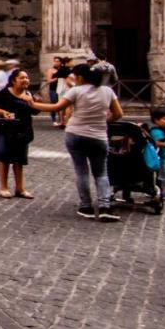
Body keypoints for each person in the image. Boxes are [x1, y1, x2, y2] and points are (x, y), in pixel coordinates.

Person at [33, 63, 124, 221]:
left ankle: (86, 206)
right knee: (101, 173)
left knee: (81, 172)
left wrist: (32, 104)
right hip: (98, 135)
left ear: (81, 77)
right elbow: (118, 113)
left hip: (75, 134)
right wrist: (104, 121)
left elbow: (56, 107)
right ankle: (104, 206)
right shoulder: (107, 91)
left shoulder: (76, 91)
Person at [0, 68, 38, 200]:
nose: (25, 80)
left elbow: (35, 111)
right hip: (5, 129)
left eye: (27, 78)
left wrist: (32, 102)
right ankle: (4, 187)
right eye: (22, 78)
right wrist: (3, 112)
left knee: (19, 160)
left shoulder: (28, 94)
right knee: (4, 158)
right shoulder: (4, 93)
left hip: (22, 130)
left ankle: (20, 188)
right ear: (14, 80)